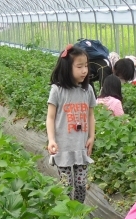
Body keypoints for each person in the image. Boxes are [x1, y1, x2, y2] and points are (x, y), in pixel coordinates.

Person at [46, 44, 96, 203]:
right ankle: (68, 213)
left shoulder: (87, 90)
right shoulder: (57, 90)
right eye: (79, 66)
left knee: (81, 184)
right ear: (67, 68)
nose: (84, 70)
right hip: (63, 148)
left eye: (86, 66)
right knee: (66, 185)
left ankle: (78, 211)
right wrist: (52, 140)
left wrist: (91, 137)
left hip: (81, 147)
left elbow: (91, 115)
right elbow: (51, 117)